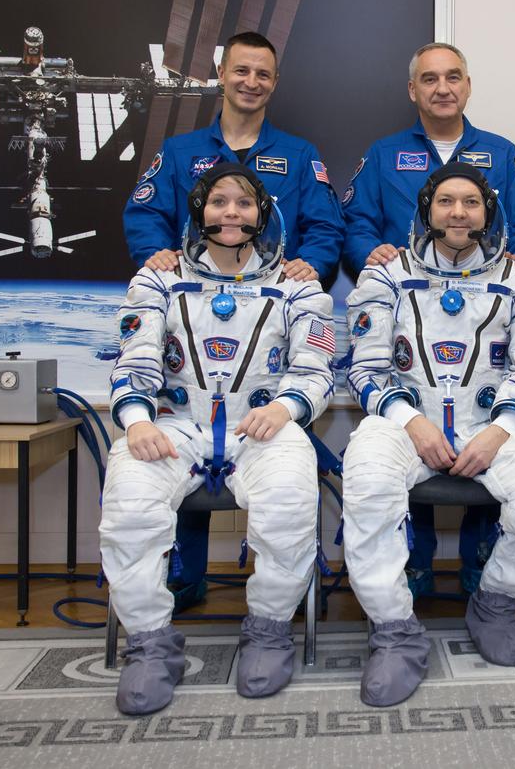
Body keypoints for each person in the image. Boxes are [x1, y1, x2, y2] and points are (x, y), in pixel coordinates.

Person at [100, 163, 335, 713]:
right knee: (130, 504)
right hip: (175, 427)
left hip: (263, 425)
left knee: (287, 503)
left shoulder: (296, 287)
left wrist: (284, 408)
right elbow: (133, 366)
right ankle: (151, 645)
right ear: (199, 213)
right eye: (218, 202)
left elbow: (317, 368)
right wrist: (137, 422)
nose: (231, 213)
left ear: (264, 213)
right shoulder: (157, 280)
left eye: (244, 203)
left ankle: (270, 631)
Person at [122, 31, 344, 612]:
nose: (251, 82)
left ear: (275, 82)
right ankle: (182, 578)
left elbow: (326, 229)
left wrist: (308, 269)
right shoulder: (177, 152)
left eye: (263, 74)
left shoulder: (298, 156)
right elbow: (144, 215)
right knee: (187, 420)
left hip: (269, 326)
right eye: (241, 71)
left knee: (273, 453)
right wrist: (157, 257)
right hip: (192, 322)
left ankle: (279, 587)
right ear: (222, 74)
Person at [340, 162, 515, 706]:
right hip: (406, 421)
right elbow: (366, 370)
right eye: (446, 201)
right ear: (426, 210)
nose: (458, 212)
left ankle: (495, 600)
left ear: (488, 212)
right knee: (367, 479)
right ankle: (394, 628)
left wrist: (499, 431)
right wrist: (412, 422)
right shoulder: (384, 276)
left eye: (471, 202)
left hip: (492, 424)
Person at [341, 42, 515, 596]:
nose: (442, 88)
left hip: (485, 317)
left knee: (491, 426)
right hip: (409, 317)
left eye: (453, 76)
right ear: (413, 90)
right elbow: (358, 224)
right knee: (409, 432)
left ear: (468, 85)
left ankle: (487, 575)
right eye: (429, 79)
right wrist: (375, 257)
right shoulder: (384, 155)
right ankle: (413, 571)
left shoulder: (500, 153)